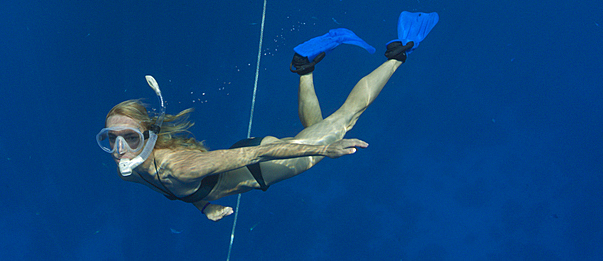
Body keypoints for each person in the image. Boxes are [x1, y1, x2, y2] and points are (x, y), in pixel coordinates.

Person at [97, 37, 420, 221]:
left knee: (345, 119)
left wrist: (325, 149)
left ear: (149, 137)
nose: (119, 148)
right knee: (318, 126)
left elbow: (259, 152)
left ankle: (399, 53)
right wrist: (205, 207)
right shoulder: (128, 170)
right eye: (110, 139)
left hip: (264, 166)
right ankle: (304, 68)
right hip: (247, 160)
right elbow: (172, 188)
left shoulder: (182, 166)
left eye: (130, 137)